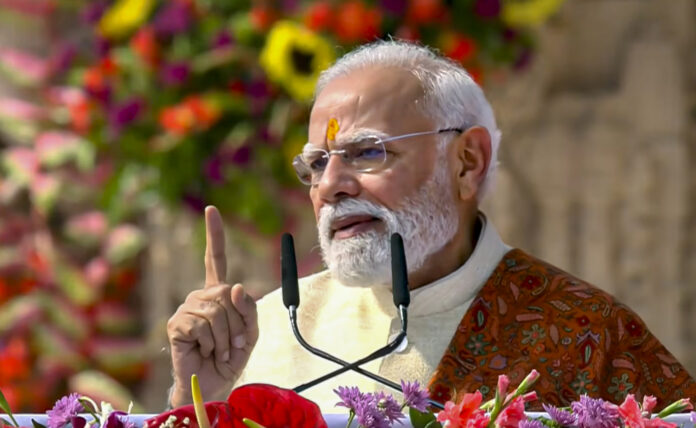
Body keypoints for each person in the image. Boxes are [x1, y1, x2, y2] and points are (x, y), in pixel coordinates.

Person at [165, 40, 696, 412]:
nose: (331, 186)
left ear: (467, 162)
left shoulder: (586, 335)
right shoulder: (268, 333)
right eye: (317, 163)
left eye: (367, 152)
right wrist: (198, 401)